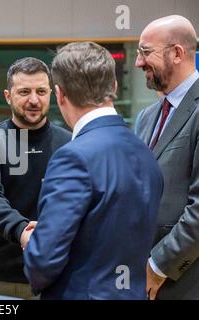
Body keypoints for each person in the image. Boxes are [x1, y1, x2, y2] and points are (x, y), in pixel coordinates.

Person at [23, 42, 164, 300]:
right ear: (114, 86)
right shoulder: (145, 152)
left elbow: (42, 263)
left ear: (60, 94)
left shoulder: (72, 157)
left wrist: (36, 242)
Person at [0, 57, 71, 299]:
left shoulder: (70, 143)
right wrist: (23, 231)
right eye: (24, 91)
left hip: (50, 276)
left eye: (41, 91)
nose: (34, 100)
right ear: (8, 96)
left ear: (52, 94)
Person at [134, 15, 199, 300]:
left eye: (146, 52)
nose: (138, 62)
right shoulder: (146, 118)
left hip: (183, 280)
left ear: (177, 53)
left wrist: (158, 266)